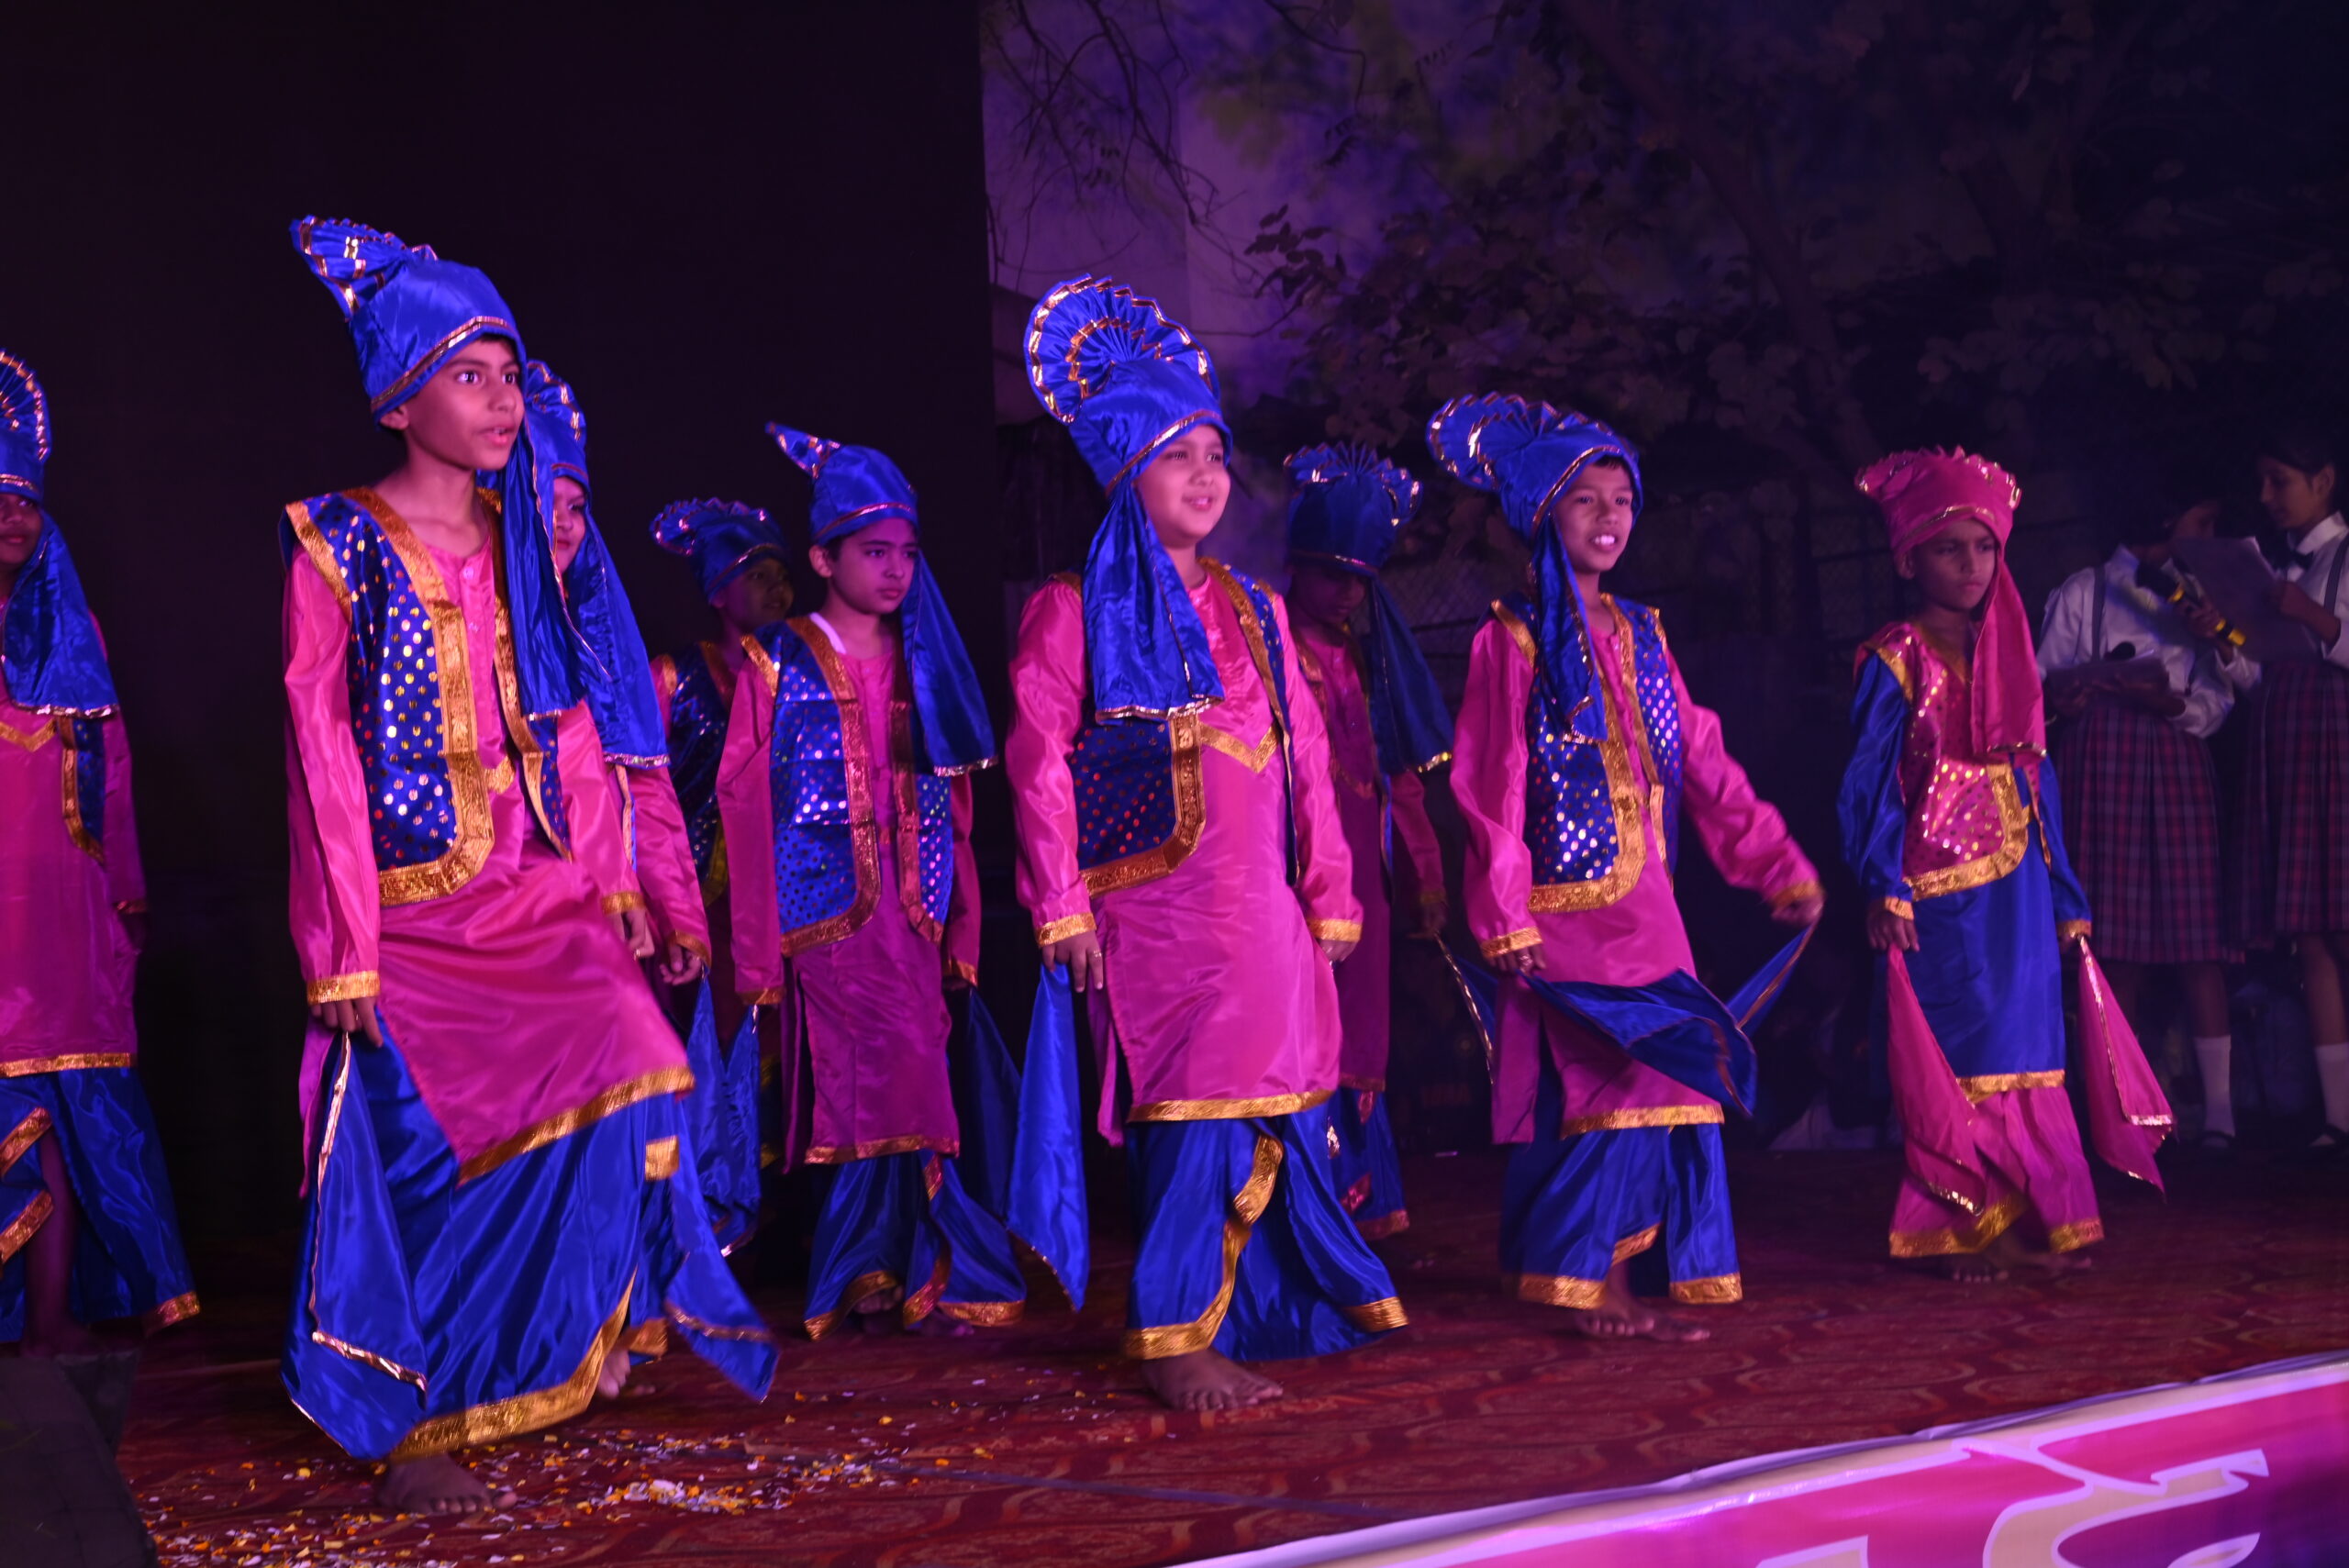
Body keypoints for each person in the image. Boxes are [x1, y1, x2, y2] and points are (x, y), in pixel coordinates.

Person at [278, 217, 773, 1516]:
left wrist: (614, 886)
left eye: (509, 374)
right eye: (470, 376)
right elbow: (319, 753)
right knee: (417, 1157)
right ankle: (413, 1416)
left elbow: (569, 727)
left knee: (639, 1062)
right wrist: (342, 949)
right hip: (403, 908)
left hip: (532, 887)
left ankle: (560, 1333)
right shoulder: (335, 543)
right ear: (401, 397)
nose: (503, 401)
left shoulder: (523, 548)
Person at [1007, 275, 1403, 1412]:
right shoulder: (1071, 606)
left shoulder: (1257, 608)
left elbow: (1305, 755)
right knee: (1191, 1106)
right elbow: (1037, 758)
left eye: (1215, 455)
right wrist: (1060, 904)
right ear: (1125, 470)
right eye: (1175, 455)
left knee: (1278, 1096)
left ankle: (1268, 1307)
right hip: (1154, 910)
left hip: (1264, 907)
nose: (1204, 476)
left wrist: (1331, 888)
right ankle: (1172, 1332)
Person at [1436, 394, 1823, 1341]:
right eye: (1585, 500)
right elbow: (1490, 780)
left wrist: (1773, 860)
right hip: (1561, 904)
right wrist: (1502, 911)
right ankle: (1590, 1278)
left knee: (1670, 1071)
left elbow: (1701, 756)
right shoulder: (1511, 637)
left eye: (1621, 499)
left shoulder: (1644, 633)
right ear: (1544, 514)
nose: (1609, 517)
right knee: (1612, 1078)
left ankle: (1599, 1270)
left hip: (1646, 899)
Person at [716, 425, 1023, 1339]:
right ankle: (867, 1266)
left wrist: (963, 923)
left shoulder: (926, 656)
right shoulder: (775, 658)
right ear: (823, 558)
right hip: (825, 917)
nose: (895, 571)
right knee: (856, 1086)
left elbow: (956, 801)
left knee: (922, 1069)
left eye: (907, 553)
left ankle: (922, 1259)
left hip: (915, 908)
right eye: (874, 552)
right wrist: (755, 951)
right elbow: (744, 802)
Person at [1841, 447, 2170, 1282]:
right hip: (1936, 886)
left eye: (1985, 547)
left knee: (2028, 1047)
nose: (1972, 565)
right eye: (1950, 548)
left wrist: (2064, 893)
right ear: (1909, 558)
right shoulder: (1896, 655)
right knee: (1965, 1047)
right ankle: (1959, 1225)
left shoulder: (2007, 649)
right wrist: (1883, 882)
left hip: (2018, 882)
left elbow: (2034, 773)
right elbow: (1871, 781)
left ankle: (2024, 1218)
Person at [0, 349, 196, 1354]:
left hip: (63, 915)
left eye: (26, 503)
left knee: (68, 1098)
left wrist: (127, 893)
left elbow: (111, 773)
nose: (12, 518)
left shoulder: (79, 636)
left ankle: (51, 1316)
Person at [1281, 444, 1453, 1240]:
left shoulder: (1365, 654)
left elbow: (1395, 774)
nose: (1347, 592)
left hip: (1364, 873)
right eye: (1331, 574)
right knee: (1302, 1024)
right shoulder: (1270, 646)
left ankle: (1361, 1200)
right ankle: (1303, 1204)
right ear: (1296, 564)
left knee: (1361, 1025)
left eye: (1359, 577)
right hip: (1292, 868)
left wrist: (1424, 871)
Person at [2039, 498, 2238, 1150]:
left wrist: (2174, 701)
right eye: (2200, 522)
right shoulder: (2085, 591)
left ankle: (2221, 1116)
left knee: (2197, 941)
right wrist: (2075, 694)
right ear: (2165, 518)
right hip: (2103, 762)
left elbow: (2225, 690)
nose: (2210, 536)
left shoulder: (2201, 597)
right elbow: (2042, 682)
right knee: (2114, 944)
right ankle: (2122, 1117)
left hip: (2176, 756)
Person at [2213, 424, 2349, 1155]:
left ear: (2323, 480)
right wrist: (2226, 637)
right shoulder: (2273, 570)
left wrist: (2314, 616)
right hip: (2288, 739)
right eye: (2262, 482)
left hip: (2339, 738)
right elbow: (2254, 672)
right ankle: (2339, 1116)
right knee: (2312, 931)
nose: (2267, 496)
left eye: (2281, 481)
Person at [649, 497, 796, 1045]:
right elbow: (641, 791)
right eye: (757, 576)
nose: (777, 589)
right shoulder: (673, 678)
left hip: (783, 889)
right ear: (718, 592)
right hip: (701, 895)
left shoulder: (803, 682)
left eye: (783, 577)